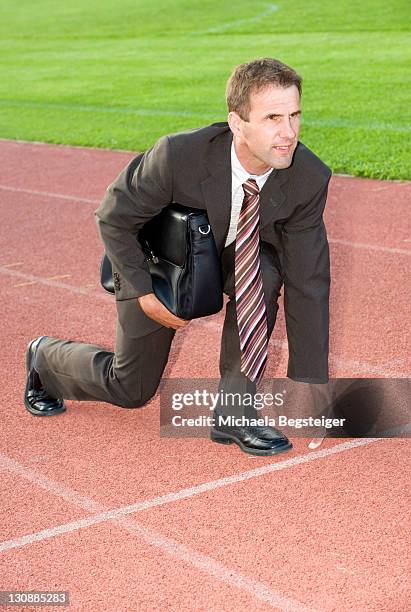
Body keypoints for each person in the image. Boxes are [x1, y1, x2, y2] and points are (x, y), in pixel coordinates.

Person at [24, 58, 332, 456]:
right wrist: (142, 293)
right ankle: (44, 359)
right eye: (272, 117)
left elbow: (309, 279)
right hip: (160, 261)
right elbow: (114, 218)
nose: (288, 133)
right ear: (237, 123)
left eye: (294, 115)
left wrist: (310, 388)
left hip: (232, 256)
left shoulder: (308, 177)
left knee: (267, 269)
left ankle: (236, 412)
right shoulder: (178, 156)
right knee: (130, 388)